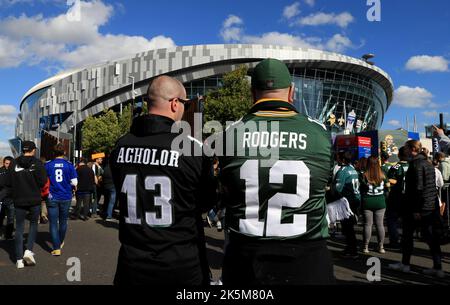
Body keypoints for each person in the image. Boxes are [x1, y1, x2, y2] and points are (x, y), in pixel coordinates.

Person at [219, 58, 334, 285]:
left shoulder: (230, 134)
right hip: (307, 257)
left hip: (246, 257)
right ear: (292, 92)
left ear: (253, 93)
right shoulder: (319, 133)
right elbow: (323, 184)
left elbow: (226, 189)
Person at [110, 75, 216, 285]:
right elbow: (206, 202)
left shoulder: (120, 146)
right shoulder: (191, 150)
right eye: (185, 104)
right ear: (175, 103)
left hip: (131, 265)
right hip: (180, 266)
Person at [389, 140, 444, 278]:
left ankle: (405, 264)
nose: (404, 150)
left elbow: (419, 188)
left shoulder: (416, 164)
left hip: (418, 207)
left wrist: (417, 209)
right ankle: (437, 267)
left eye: (406, 148)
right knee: (431, 238)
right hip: (430, 207)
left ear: (412, 149)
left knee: (408, 236)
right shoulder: (428, 163)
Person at [0, 141, 47, 269]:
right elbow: (43, 182)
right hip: (34, 199)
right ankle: (28, 251)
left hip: (19, 199)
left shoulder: (14, 163)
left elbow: (7, 182)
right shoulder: (37, 163)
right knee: (33, 225)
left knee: (19, 228)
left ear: (23, 150)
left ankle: (19, 259)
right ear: (33, 150)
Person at [45, 143, 78, 256]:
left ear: (54, 153)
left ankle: (56, 247)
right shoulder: (69, 165)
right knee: (63, 221)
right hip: (66, 196)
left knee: (53, 223)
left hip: (52, 196)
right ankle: (60, 241)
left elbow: (44, 181)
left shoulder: (48, 165)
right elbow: (74, 182)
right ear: (64, 153)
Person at [332, 151, 361, 258]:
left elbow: (337, 189)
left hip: (347, 202)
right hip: (354, 200)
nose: (337, 160)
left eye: (338, 158)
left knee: (348, 229)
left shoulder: (343, 171)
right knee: (349, 228)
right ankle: (349, 249)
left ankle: (352, 252)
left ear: (343, 160)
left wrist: (330, 189)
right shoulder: (353, 169)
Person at [360, 156, 389, 254]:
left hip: (367, 201)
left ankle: (365, 247)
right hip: (380, 202)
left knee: (368, 224)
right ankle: (381, 247)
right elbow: (388, 187)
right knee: (380, 225)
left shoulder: (364, 175)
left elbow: (361, 189)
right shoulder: (382, 175)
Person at [386, 147, 409, 248]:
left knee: (392, 219)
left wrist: (398, 182)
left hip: (396, 196)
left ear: (399, 155)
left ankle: (394, 241)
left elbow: (390, 179)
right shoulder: (412, 165)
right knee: (406, 220)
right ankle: (406, 240)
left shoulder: (396, 166)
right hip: (409, 196)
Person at [0, 156, 15, 240]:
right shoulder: (0, 171)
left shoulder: (14, 172)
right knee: (0, 217)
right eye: (6, 163)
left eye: (9, 164)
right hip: (1, 199)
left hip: (11, 199)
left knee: (11, 218)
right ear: (4, 163)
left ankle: (8, 235)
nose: (8, 165)